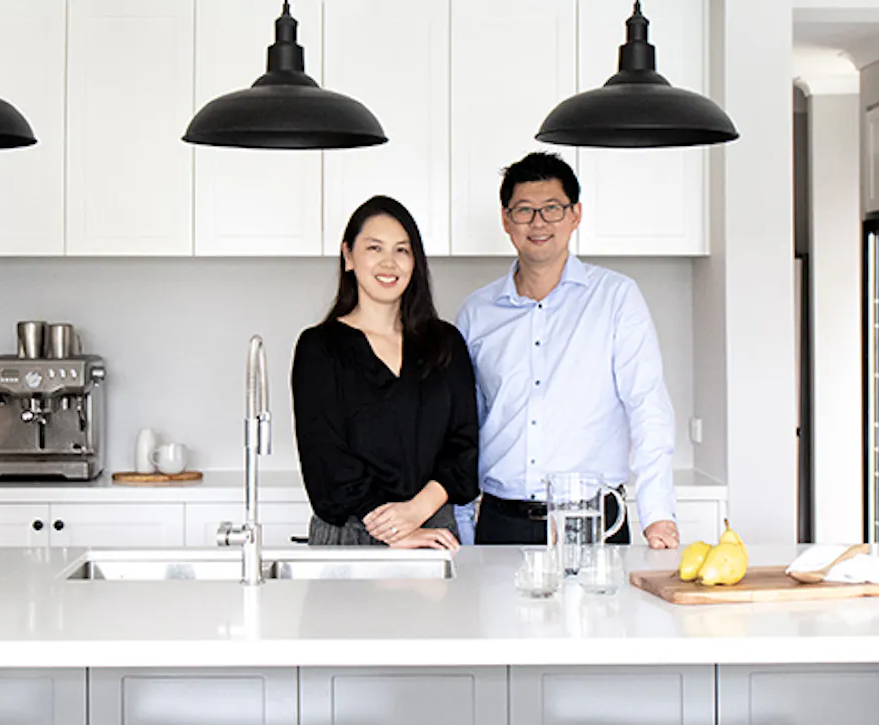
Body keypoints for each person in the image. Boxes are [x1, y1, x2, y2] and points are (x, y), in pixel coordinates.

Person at [454, 152, 679, 549]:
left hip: (591, 520)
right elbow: (462, 425)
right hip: (501, 521)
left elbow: (646, 404)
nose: (538, 222)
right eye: (524, 210)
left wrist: (658, 513)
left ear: (576, 215)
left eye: (552, 209)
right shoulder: (477, 312)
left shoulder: (616, 298)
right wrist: (461, 521)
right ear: (506, 220)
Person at [291, 195, 479, 550]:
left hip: (432, 532)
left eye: (402, 250)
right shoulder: (320, 348)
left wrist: (415, 513)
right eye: (374, 248)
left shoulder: (446, 343)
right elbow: (325, 459)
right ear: (348, 256)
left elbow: (464, 447)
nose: (389, 262)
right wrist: (395, 529)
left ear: (415, 261)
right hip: (350, 536)